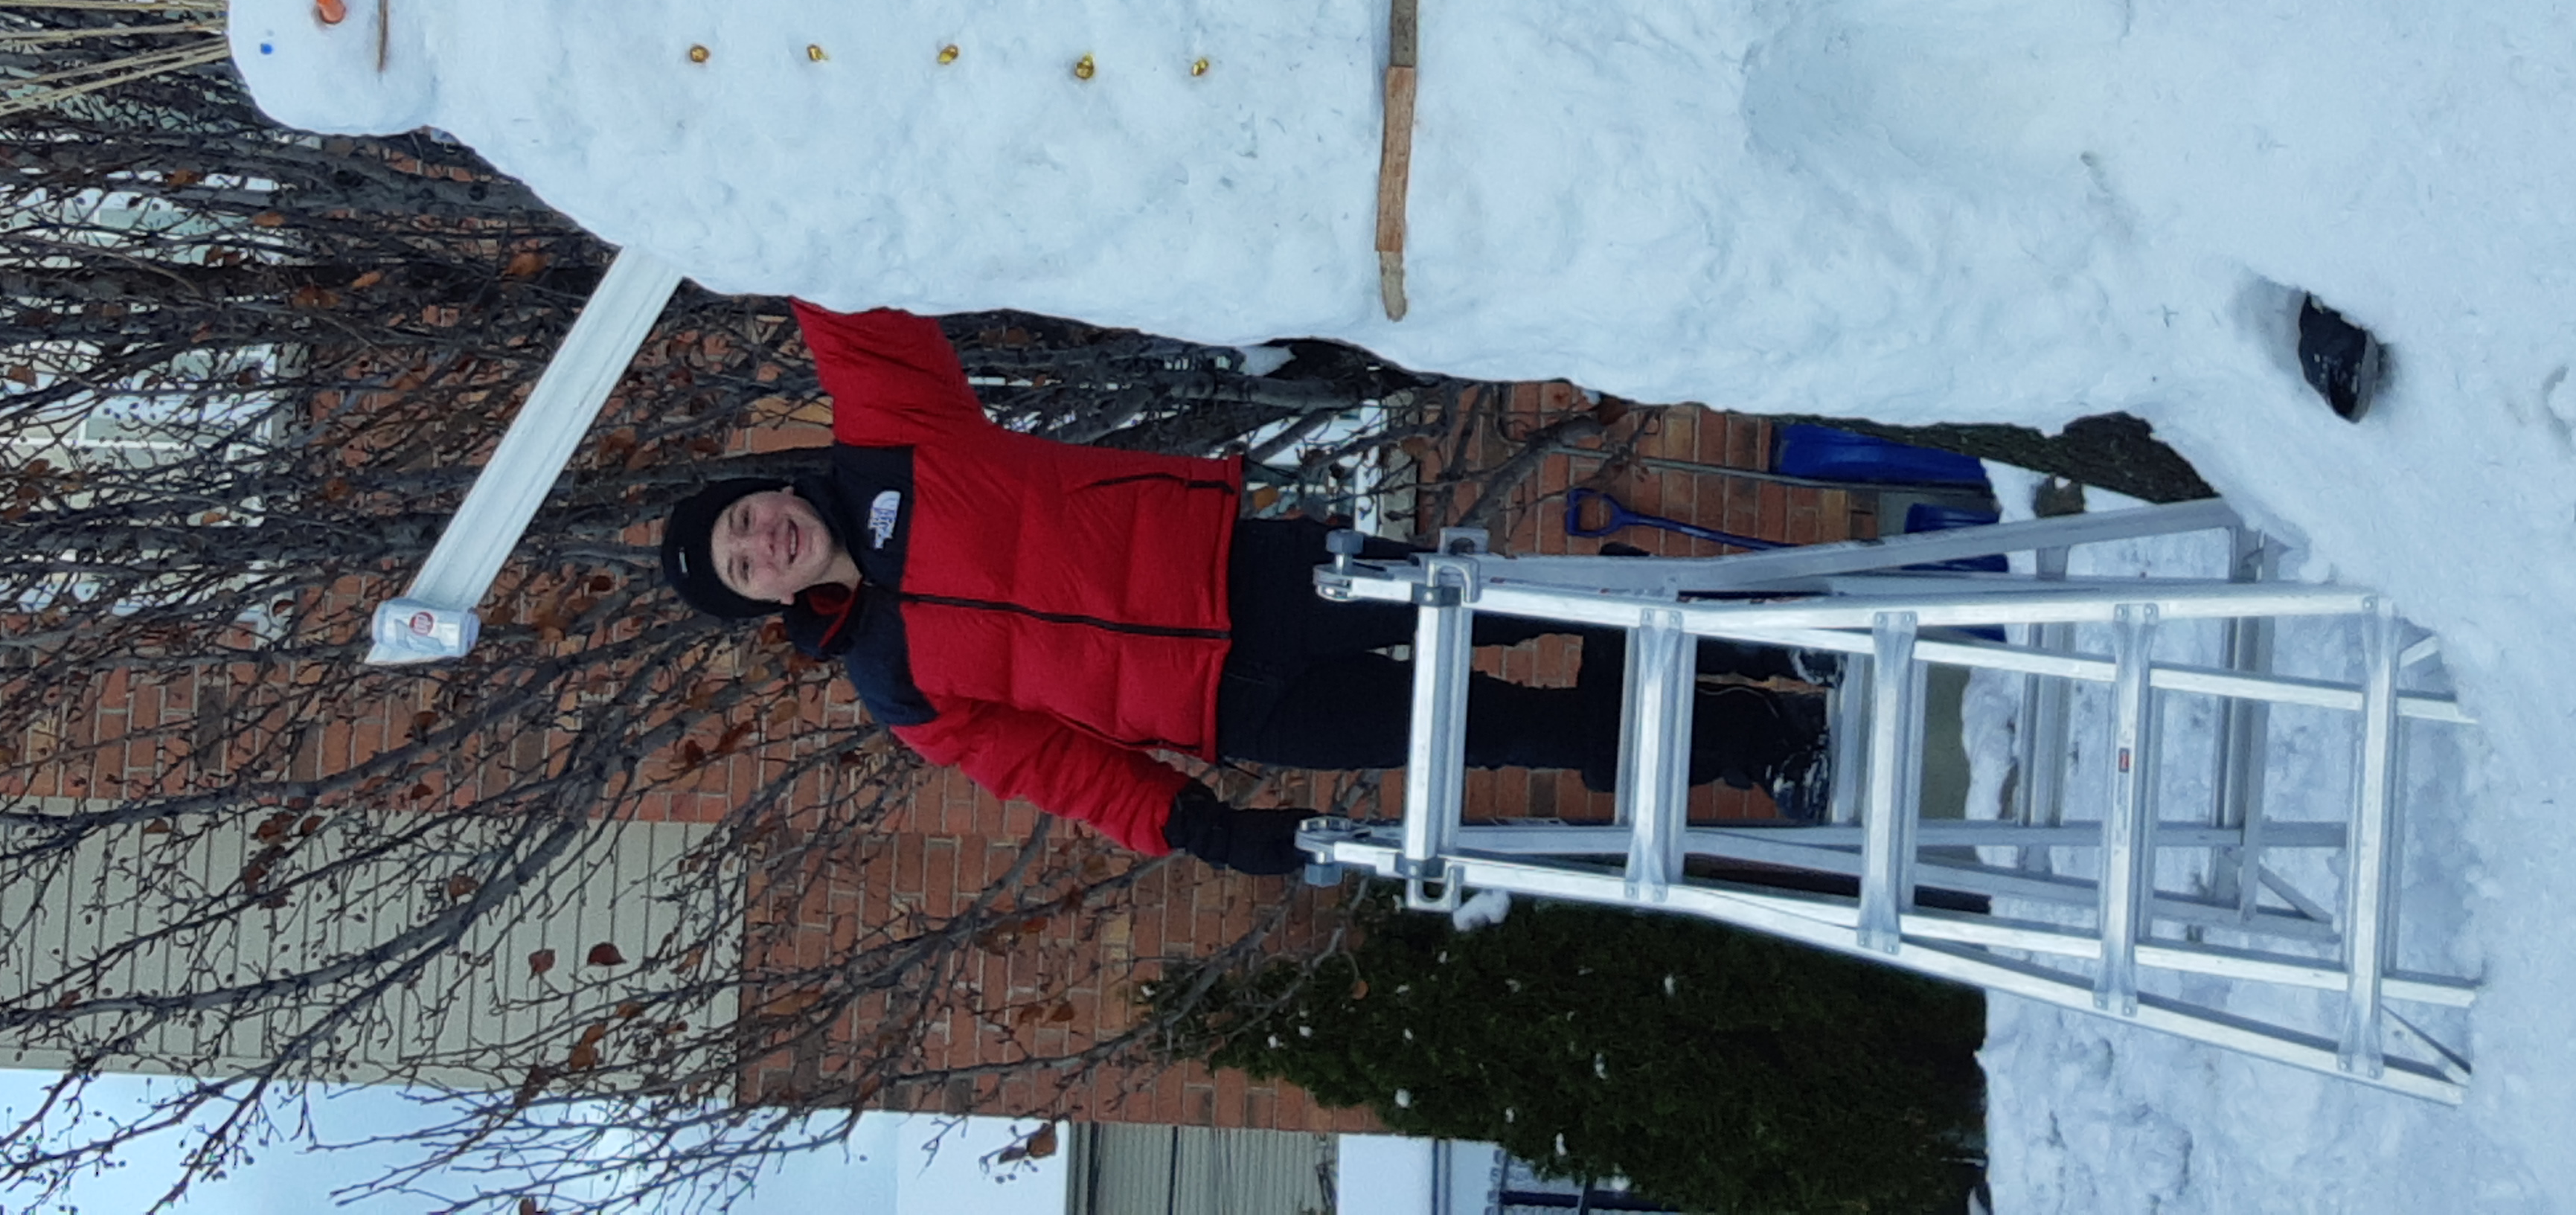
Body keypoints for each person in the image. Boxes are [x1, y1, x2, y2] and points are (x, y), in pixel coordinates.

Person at [657, 303, 1832, 875]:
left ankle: (1772, 631)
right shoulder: (893, 685)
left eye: (746, 518)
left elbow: (848, 291)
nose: (765, 540)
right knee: (1493, 727)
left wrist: (761, 194)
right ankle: (1758, 740)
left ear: (768, 489)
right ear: (764, 604)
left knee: (1515, 601)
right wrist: (1197, 827)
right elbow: (1054, 769)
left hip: (1261, 576)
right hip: (1236, 710)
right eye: (744, 565)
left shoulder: (891, 446)